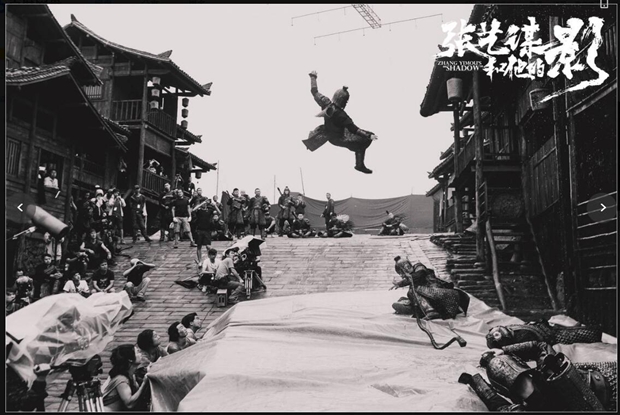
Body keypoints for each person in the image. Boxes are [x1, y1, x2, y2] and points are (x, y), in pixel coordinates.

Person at [459, 341, 617, 411]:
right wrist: (504, 351)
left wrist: (475, 380)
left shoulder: (549, 370)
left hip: (605, 381)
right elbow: (539, 346)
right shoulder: (548, 370)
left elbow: (495, 402)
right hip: (606, 386)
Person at [303, 71, 379, 174]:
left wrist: (313, 77)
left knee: (364, 136)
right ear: (343, 101)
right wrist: (369, 136)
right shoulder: (342, 115)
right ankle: (359, 165)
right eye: (346, 101)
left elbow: (314, 92)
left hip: (328, 133)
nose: (346, 103)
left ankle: (359, 164)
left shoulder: (326, 103)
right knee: (363, 141)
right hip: (338, 138)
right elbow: (354, 129)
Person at [390, 256, 469, 320]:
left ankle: (431, 311)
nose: (402, 276)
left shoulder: (419, 267)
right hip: (429, 298)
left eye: (402, 273)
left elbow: (418, 276)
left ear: (406, 267)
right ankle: (416, 308)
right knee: (406, 297)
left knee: (415, 290)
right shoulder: (412, 275)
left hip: (440, 293)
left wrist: (401, 283)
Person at [102, 344, 150, 411]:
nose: (140, 354)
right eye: (137, 352)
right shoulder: (121, 379)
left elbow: (138, 395)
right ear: (130, 359)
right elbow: (129, 404)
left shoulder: (131, 376)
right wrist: (144, 383)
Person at [193, 199, 220, 264]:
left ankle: (210, 259)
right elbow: (193, 210)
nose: (204, 204)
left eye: (205, 203)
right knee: (199, 246)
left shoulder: (209, 210)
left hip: (207, 230)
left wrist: (215, 206)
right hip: (199, 230)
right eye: (203, 203)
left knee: (208, 246)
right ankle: (200, 261)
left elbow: (219, 213)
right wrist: (202, 203)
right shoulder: (199, 210)